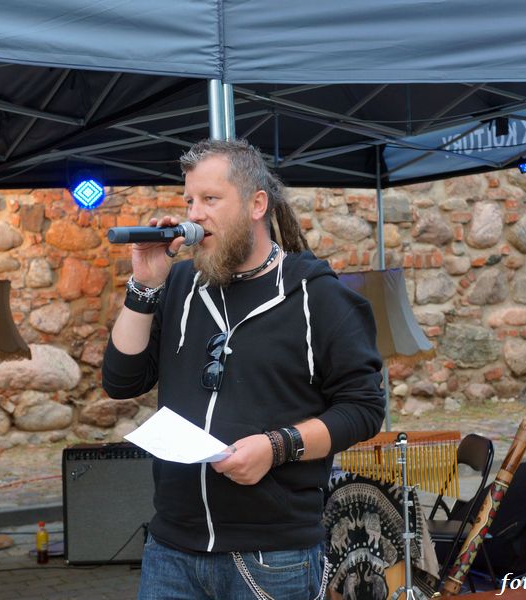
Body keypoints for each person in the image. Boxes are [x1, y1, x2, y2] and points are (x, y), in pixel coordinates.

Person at [102, 138, 385, 600]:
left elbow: (364, 409)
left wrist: (277, 447)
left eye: (210, 199)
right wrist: (144, 285)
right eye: (189, 200)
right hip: (171, 550)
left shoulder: (318, 296)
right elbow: (121, 381)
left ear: (257, 205)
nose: (195, 214)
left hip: (272, 557)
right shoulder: (179, 285)